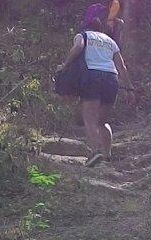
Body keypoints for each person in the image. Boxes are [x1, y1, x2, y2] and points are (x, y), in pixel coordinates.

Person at [55, 17, 132, 166]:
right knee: (102, 121)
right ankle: (107, 155)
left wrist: (65, 65)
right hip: (111, 77)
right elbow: (122, 66)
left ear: (86, 27)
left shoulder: (83, 35)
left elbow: (78, 47)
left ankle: (95, 152)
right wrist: (129, 89)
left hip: (92, 76)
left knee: (89, 119)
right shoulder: (110, 41)